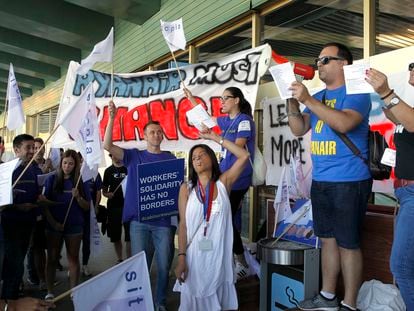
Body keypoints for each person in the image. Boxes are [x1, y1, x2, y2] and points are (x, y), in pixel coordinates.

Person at [287, 42, 372, 311]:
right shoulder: (320, 96)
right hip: (322, 180)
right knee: (327, 239)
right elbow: (298, 128)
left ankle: (350, 303)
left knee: (348, 243)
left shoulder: (357, 93)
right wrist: (291, 98)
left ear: (343, 63)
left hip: (350, 180)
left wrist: (307, 99)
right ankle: (327, 296)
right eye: (318, 60)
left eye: (324, 60)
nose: (318, 65)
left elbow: (345, 123)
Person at [104, 100, 177, 311]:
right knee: (140, 266)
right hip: (139, 222)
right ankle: (140, 302)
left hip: (164, 222)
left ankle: (160, 301)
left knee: (164, 266)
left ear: (162, 136)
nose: (156, 135)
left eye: (159, 132)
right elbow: (108, 146)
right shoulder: (134, 155)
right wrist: (111, 118)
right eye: (152, 132)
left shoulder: (170, 159)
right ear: (144, 136)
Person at [174, 126, 249, 311]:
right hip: (194, 258)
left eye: (202, 154)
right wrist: (181, 258)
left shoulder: (224, 183)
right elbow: (183, 226)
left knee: (219, 303)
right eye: (193, 157)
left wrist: (217, 138)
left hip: (220, 258)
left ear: (212, 158)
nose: (197, 158)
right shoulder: (186, 188)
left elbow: (244, 156)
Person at [185, 87, 255, 279]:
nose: (222, 102)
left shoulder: (244, 121)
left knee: (227, 221)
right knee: (225, 219)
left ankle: (241, 262)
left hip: (237, 177)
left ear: (237, 100)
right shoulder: (227, 120)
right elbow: (207, 118)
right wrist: (192, 99)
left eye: (226, 98)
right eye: (221, 98)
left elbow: (238, 147)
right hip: (224, 175)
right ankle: (233, 259)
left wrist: (216, 138)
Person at [365, 62, 414, 309]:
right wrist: (384, 97)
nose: (411, 70)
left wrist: (386, 92)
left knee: (402, 266)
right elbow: (397, 117)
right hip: (406, 194)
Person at [41, 149, 90, 300]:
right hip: (54, 226)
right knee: (52, 258)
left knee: (73, 258)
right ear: (61, 163)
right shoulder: (51, 179)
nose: (67, 166)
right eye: (65, 163)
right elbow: (44, 204)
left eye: (71, 163)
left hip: (74, 226)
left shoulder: (81, 182)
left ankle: (73, 292)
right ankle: (49, 291)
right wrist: (53, 223)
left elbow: (87, 206)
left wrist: (78, 197)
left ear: (75, 165)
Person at [1, 134, 41, 299]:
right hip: (11, 226)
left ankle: (14, 295)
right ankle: (9, 301)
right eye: (28, 148)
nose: (32, 151)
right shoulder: (6, 171)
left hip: (28, 224)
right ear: (16, 150)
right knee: (13, 265)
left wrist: (40, 200)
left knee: (19, 263)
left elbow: (36, 193)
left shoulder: (33, 169)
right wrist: (17, 206)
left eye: (33, 147)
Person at [102, 154, 130, 262]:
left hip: (128, 206)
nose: (117, 158)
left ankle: (129, 260)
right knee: (115, 236)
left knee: (129, 236)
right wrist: (107, 194)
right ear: (111, 156)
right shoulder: (108, 171)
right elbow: (104, 190)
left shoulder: (128, 168)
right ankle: (120, 259)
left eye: (119, 155)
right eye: (114, 155)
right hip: (113, 207)